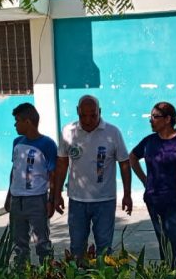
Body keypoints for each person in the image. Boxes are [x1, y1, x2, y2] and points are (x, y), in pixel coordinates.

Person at [54, 95, 132, 260]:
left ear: (100, 112)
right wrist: (56, 194)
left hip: (105, 201)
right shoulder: (68, 131)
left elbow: (124, 164)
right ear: (77, 112)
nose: (88, 120)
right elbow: (61, 164)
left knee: (104, 248)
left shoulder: (113, 132)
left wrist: (127, 194)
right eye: (83, 115)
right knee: (76, 247)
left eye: (93, 115)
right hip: (77, 201)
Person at [129, 102, 176, 268]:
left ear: (168, 119)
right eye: (150, 117)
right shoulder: (148, 141)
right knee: (164, 244)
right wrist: (144, 180)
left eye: (155, 117)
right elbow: (132, 158)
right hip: (154, 201)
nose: (151, 121)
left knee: (174, 246)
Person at [5, 103, 56, 266]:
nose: (15, 124)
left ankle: (47, 274)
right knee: (19, 243)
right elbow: (15, 170)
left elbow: (53, 174)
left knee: (42, 242)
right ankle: (22, 274)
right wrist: (9, 196)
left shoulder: (47, 144)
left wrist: (51, 201)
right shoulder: (17, 142)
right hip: (16, 199)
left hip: (36, 199)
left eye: (17, 120)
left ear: (27, 122)